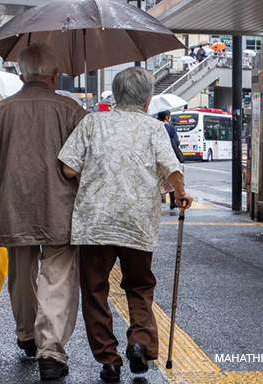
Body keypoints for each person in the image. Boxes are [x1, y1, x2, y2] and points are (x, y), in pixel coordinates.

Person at [58, 67, 192, 383]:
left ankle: (109, 360)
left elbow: (66, 169)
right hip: (138, 221)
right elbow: (171, 167)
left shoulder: (92, 122)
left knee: (94, 290)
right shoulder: (155, 129)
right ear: (147, 101)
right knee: (140, 285)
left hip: (95, 221)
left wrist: (95, 177)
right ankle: (140, 343)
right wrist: (182, 194)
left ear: (116, 97)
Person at [0, 43, 88, 381]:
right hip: (61, 207)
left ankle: (26, 335)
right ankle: (50, 352)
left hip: (15, 205)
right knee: (58, 279)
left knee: (21, 275)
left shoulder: (3, 109)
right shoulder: (71, 109)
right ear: (55, 74)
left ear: (22, 75)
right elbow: (86, 160)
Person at [157, 110, 184, 210]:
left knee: (158, 180)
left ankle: (158, 202)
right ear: (167, 117)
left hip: (157, 157)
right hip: (169, 156)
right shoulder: (171, 128)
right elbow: (176, 142)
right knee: (171, 178)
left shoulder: (155, 126)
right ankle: (173, 202)